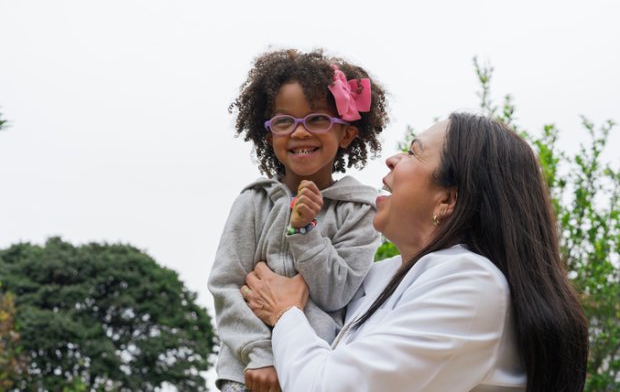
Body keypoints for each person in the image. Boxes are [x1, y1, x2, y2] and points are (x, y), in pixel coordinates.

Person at [242, 113, 589, 392]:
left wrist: (286, 313)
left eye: (412, 152)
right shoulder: (379, 276)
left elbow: (325, 385)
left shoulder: (472, 285)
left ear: (447, 200)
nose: (392, 159)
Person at [208, 49, 390, 392]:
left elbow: (337, 294)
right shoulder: (252, 203)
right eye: (284, 121)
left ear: (347, 134)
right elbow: (225, 285)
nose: (300, 132)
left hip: (316, 372)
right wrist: (261, 354)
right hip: (248, 374)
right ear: (268, 134)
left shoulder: (361, 210)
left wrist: (306, 232)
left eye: (318, 119)